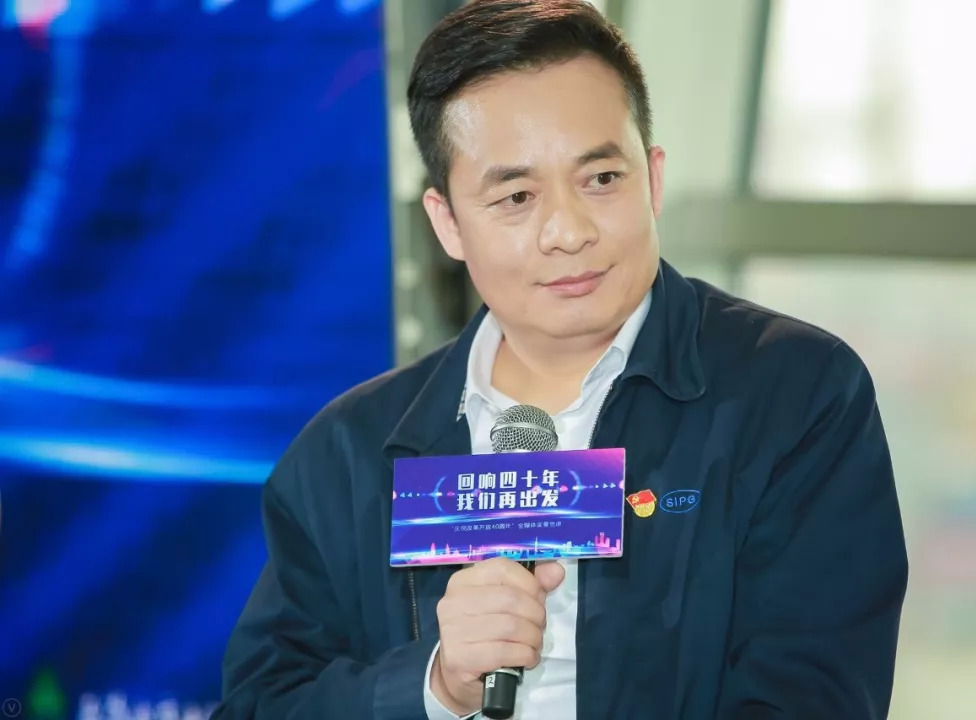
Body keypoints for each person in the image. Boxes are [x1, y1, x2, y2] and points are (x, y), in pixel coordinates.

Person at [211, 1, 908, 718]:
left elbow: (812, 692)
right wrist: (434, 686)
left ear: (653, 179)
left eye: (601, 180)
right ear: (448, 223)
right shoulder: (350, 451)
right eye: (516, 196)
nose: (568, 232)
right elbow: (260, 704)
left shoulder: (792, 394)